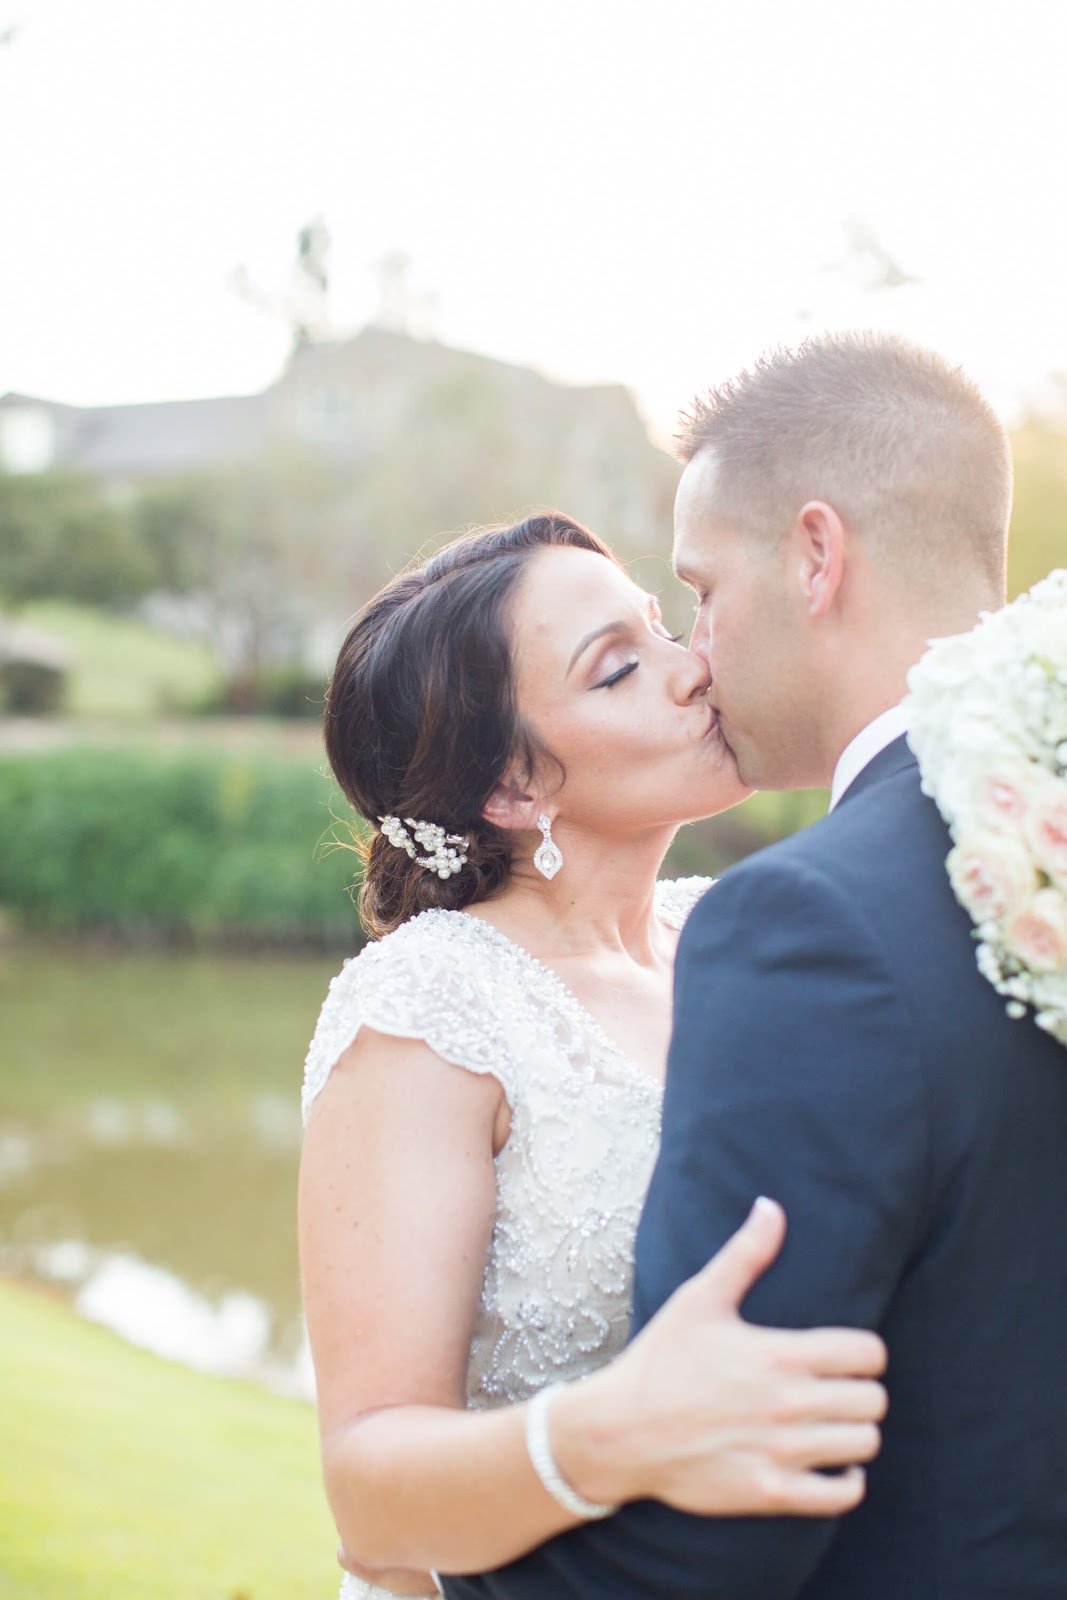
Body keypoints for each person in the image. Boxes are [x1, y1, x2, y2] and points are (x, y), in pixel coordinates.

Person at [443, 335, 1067, 1600]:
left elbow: (724, 1522)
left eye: (702, 589)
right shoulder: (1027, 836)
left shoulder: (807, 925)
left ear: (815, 556)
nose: (698, 652)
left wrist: (444, 1577)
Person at [299, 512, 888, 1600]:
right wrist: (612, 1431)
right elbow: (368, 1497)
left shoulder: (733, 932)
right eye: (619, 668)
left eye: (664, 626)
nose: (691, 668)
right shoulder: (432, 1008)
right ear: (513, 791)